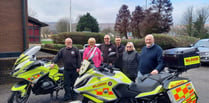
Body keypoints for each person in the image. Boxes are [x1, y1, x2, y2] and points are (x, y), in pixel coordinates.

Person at [51, 38, 81, 102]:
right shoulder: (62, 50)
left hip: (74, 70)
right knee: (66, 84)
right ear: (65, 43)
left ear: (72, 43)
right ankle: (67, 96)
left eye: (70, 42)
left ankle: (74, 96)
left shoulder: (75, 49)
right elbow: (57, 56)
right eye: (67, 42)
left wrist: (78, 67)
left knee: (74, 84)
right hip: (66, 70)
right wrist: (53, 62)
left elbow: (79, 58)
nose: (69, 43)